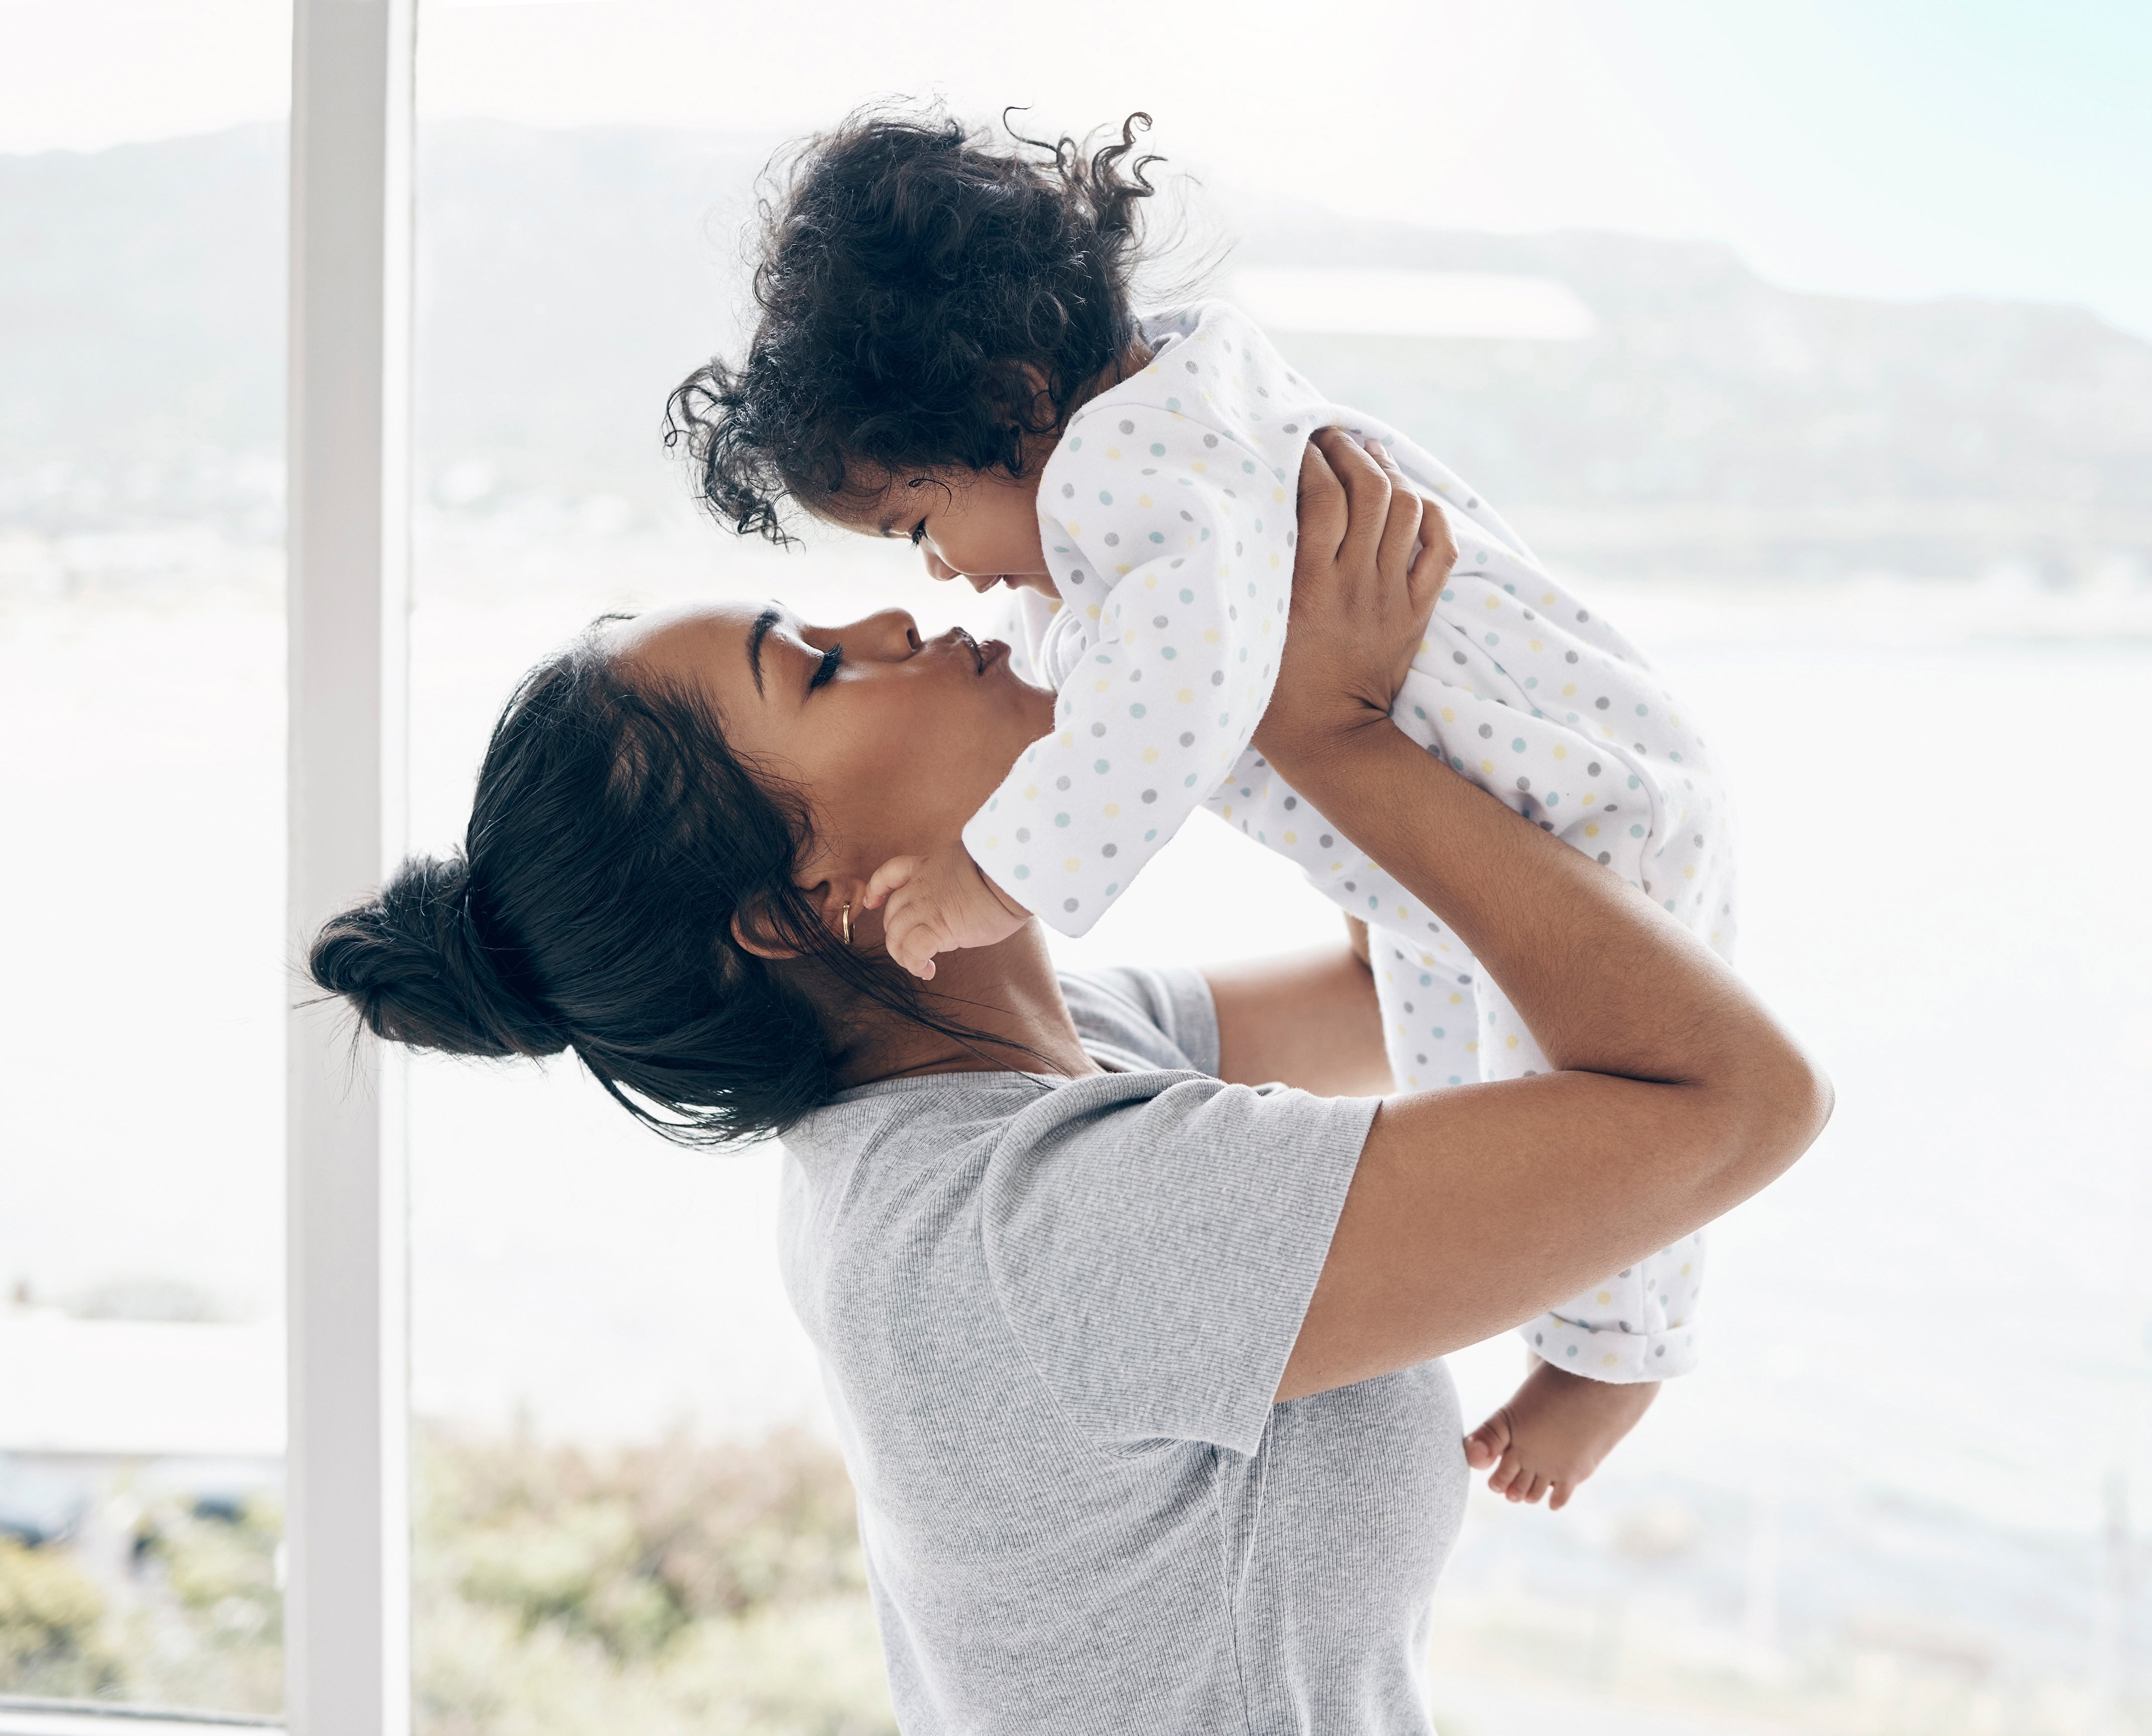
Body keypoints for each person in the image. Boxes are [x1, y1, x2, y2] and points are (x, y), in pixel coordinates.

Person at [309, 430, 1828, 1735]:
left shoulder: (1032, 1070)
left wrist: (1254, 654)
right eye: (824, 669)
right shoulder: (1037, 1228)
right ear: (791, 906)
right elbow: (1738, 1105)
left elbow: (1391, 983)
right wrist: (1331, 736)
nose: (904, 624)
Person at [666, 107, 1729, 1494]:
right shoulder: (1152, 444)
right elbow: (1115, 677)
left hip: (1575, 800)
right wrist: (1334, 746)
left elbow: (1161, 711)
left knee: (1569, 1095)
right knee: (1464, 1047)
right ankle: (1605, 1343)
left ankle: (1614, 1354)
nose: (928, 588)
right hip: (1522, 798)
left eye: (919, 527)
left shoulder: (1139, 478)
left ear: (1007, 403)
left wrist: (994, 875)